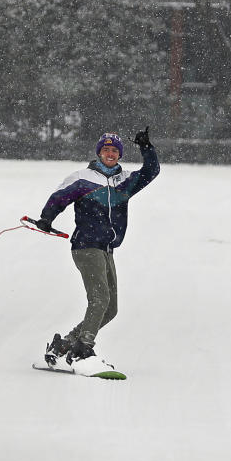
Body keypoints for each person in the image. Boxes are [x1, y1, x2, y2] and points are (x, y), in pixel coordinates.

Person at [35, 128, 160, 366]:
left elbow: (151, 171)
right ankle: (83, 349)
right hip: (85, 246)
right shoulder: (82, 177)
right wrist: (46, 218)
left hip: (107, 249)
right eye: (106, 150)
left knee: (110, 309)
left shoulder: (125, 181)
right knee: (100, 298)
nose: (110, 154)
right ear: (99, 152)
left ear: (119, 154)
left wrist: (146, 148)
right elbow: (59, 197)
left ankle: (65, 344)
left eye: (114, 150)